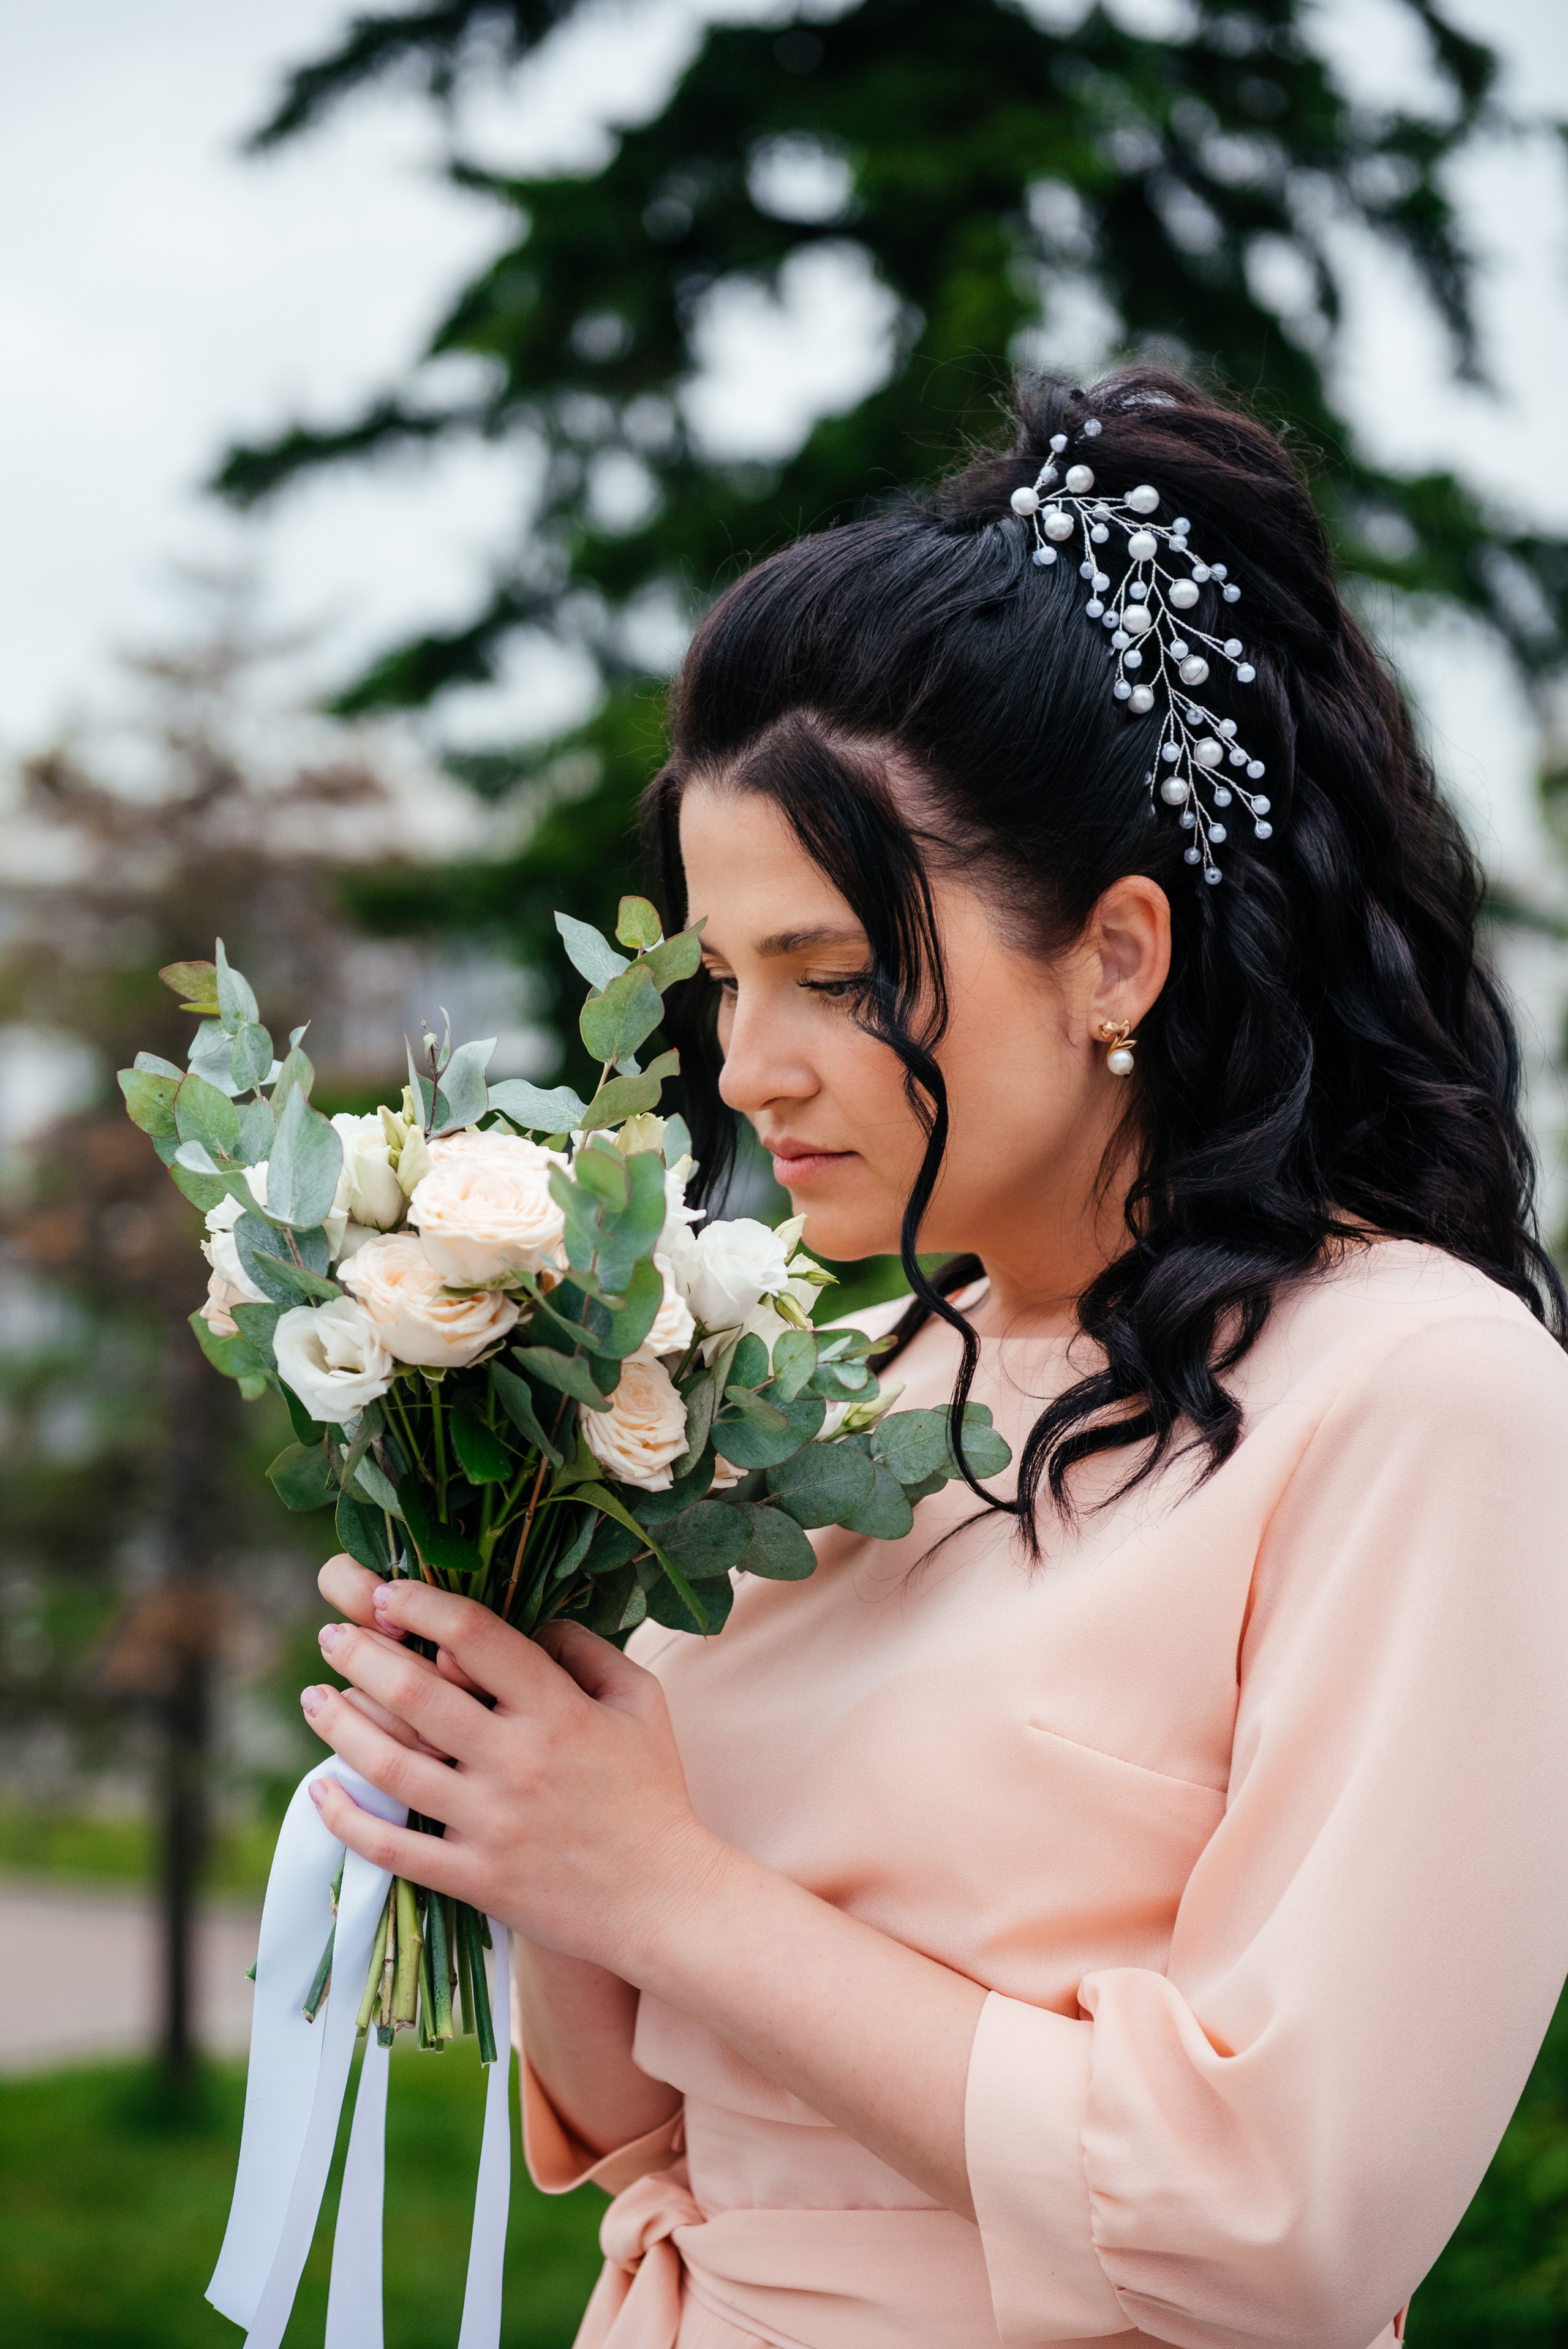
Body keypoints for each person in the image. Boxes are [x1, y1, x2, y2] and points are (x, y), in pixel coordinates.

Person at [301, 368, 1568, 2349]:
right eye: (729, 979)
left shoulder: (1417, 1393)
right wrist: (508, 1771)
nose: (748, 1064)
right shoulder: (841, 1379)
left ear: (1117, 958)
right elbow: (665, 2138)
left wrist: (656, 1883)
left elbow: (1293, 2217)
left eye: (837, 974)